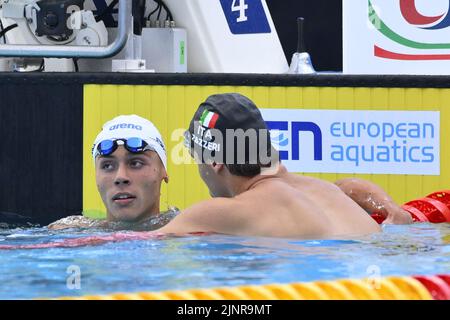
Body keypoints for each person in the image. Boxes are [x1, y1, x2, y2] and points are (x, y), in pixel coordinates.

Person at [156, 93, 411, 238]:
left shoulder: (218, 212)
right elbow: (348, 185)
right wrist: (390, 208)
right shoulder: (325, 191)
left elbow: (132, 244)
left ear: (214, 161)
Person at [48, 115, 177, 231]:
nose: (120, 177)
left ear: (163, 171)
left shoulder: (189, 229)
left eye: (136, 163)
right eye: (107, 165)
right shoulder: (68, 232)